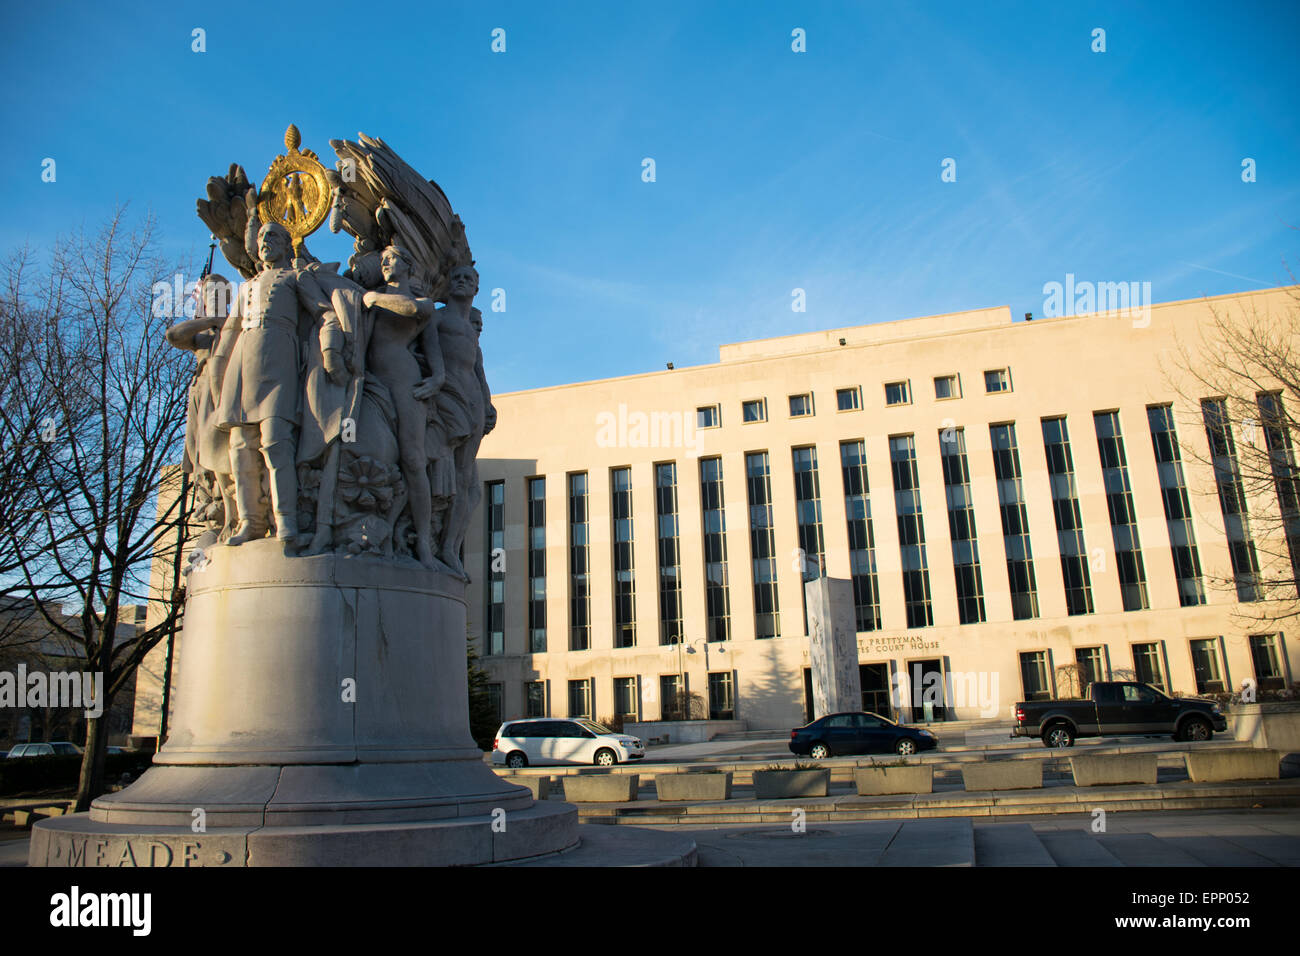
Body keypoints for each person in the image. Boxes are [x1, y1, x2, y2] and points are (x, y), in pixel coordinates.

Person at [211, 220, 341, 545]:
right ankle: (251, 522)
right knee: (240, 446)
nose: (266, 241)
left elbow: (325, 313)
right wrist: (218, 370)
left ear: (286, 243)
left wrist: (331, 348)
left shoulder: (296, 277)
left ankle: (286, 521)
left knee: (276, 443)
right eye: (262, 237)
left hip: (280, 358)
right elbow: (229, 333)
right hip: (244, 361)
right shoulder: (246, 287)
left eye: (273, 236)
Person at [361, 245, 437, 566]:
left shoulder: (421, 303)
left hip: (406, 384)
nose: (386, 263)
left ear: (407, 265)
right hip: (370, 383)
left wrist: (439, 379)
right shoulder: (368, 295)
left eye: (391, 258)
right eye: (383, 260)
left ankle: (423, 543)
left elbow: (413, 314)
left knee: (413, 460)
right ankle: (373, 530)